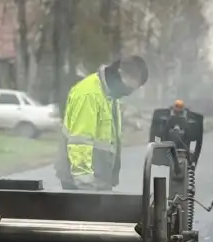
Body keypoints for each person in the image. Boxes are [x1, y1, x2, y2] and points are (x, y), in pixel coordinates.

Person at [58, 56, 150, 191]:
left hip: (98, 183)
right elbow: (80, 142)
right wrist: (85, 186)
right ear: (121, 74)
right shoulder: (89, 94)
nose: (129, 92)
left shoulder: (110, 96)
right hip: (82, 186)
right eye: (130, 87)